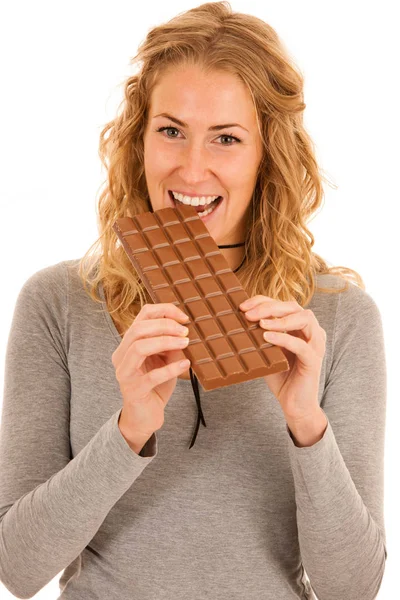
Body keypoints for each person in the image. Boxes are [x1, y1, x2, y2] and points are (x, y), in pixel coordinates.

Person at [0, 2, 387, 599]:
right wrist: (130, 429)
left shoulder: (338, 317)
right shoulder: (58, 304)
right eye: (171, 130)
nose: (192, 167)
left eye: (227, 138)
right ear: (139, 139)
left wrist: (307, 424)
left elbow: (354, 589)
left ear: (268, 157)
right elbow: (18, 570)